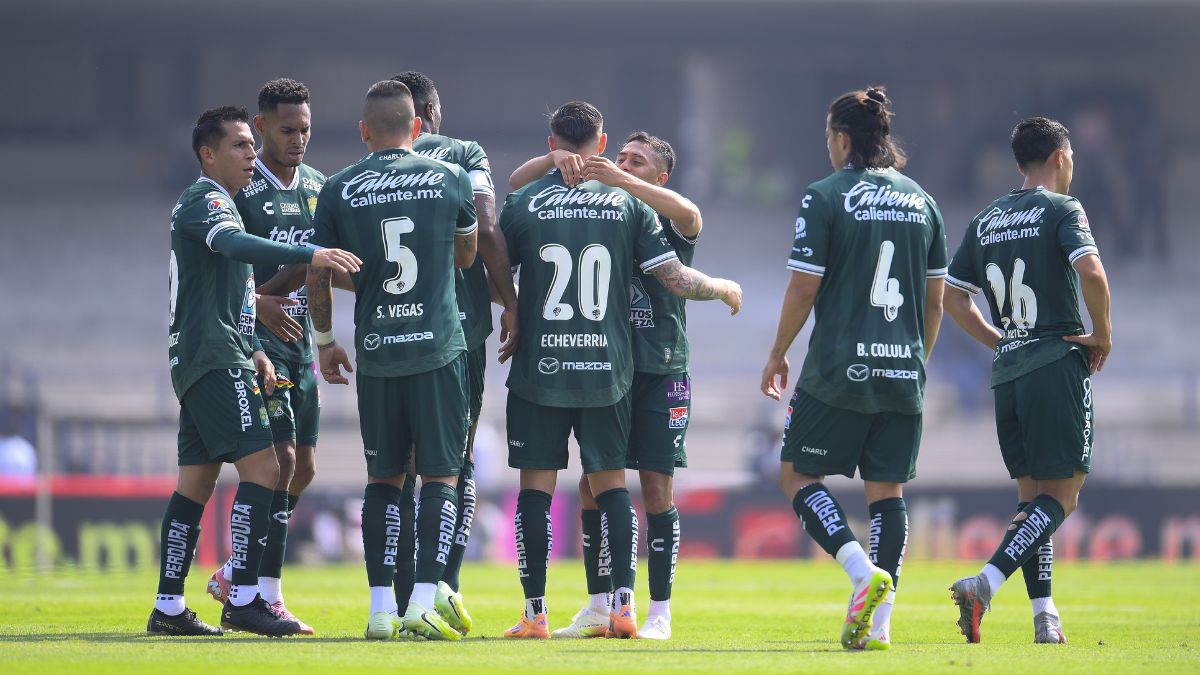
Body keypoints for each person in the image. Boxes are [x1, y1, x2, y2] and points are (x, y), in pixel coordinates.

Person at [499, 101, 741, 640]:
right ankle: (602, 605)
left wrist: (723, 285)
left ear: (660, 176)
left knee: (653, 488)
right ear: (602, 145)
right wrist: (562, 163)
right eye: (621, 157)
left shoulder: (654, 211)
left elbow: (690, 222)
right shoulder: (617, 207)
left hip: (656, 366)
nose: (624, 166)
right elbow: (519, 185)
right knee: (595, 486)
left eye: (637, 162)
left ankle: (658, 612)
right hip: (608, 365)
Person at [149, 105, 360, 637]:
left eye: (250, 144)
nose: (250, 154)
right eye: (239, 145)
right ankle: (243, 596)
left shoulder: (225, 204)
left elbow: (234, 292)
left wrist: (254, 350)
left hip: (216, 353)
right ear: (208, 155)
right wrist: (309, 251)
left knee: (195, 483)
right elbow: (232, 244)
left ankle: (168, 606)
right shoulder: (206, 200)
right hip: (213, 357)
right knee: (267, 468)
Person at [760, 86, 947, 651]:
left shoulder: (824, 195)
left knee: (796, 475)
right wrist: (916, 363)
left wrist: (778, 351)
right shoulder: (923, 201)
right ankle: (880, 624)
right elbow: (934, 302)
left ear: (842, 139)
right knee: (886, 491)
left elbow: (803, 286)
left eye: (828, 136)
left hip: (839, 368)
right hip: (903, 370)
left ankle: (862, 572)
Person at [305, 80, 479, 642]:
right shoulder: (450, 177)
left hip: (378, 353)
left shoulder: (337, 188)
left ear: (364, 131)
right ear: (418, 128)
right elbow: (467, 254)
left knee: (382, 479)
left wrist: (325, 340)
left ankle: (381, 610)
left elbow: (319, 272)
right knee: (441, 477)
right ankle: (422, 602)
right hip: (438, 349)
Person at [944, 116, 1111, 644]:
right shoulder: (1063, 208)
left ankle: (1045, 616)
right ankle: (985, 583)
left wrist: (1000, 341)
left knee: (1032, 500)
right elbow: (1092, 273)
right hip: (1055, 363)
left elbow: (952, 297)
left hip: (1008, 374)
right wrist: (1102, 335)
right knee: (1063, 497)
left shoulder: (987, 218)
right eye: (1072, 158)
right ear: (1060, 158)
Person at [386, 70, 519, 636]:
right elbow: (485, 228)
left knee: (395, 469)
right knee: (453, 464)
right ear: (431, 114)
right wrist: (511, 302)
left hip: (390, 332)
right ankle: (442, 585)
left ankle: (394, 599)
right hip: (457, 329)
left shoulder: (372, 169)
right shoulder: (464, 153)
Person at [203, 78, 323, 635]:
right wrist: (257, 303)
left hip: (302, 342)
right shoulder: (240, 189)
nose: (298, 139)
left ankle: (235, 571)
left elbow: (320, 269)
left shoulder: (319, 186)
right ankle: (264, 593)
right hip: (257, 342)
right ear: (261, 125)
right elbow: (217, 271)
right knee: (282, 462)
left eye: (305, 129)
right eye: (287, 129)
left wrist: (327, 339)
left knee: (305, 469)